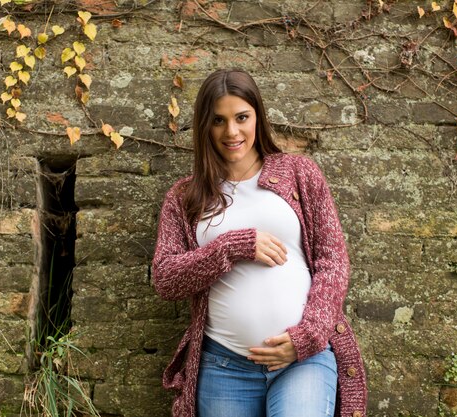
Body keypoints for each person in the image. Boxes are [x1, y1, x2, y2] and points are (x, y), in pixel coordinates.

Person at [152, 68, 367, 417]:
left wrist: (308, 337)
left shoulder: (299, 173)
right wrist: (232, 247)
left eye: (242, 117)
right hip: (223, 367)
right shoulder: (185, 196)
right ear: (205, 125)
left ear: (258, 117)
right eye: (218, 120)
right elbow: (166, 278)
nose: (231, 131)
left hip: (302, 361)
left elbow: (334, 262)